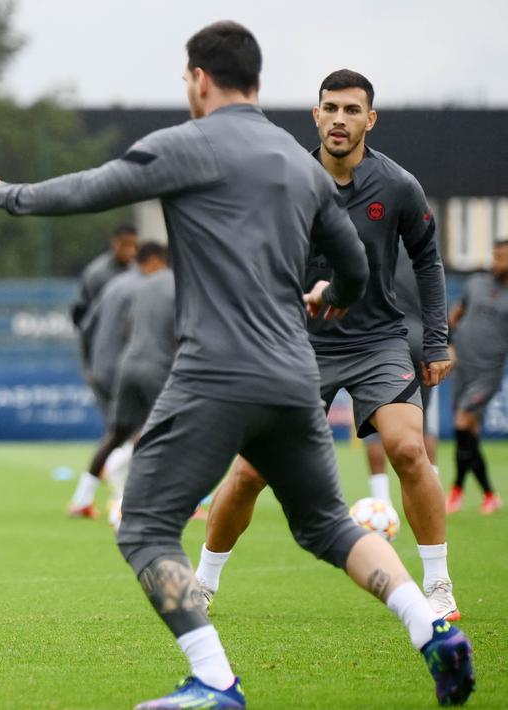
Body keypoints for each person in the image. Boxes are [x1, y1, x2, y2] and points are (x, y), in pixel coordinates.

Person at [0, 22, 473, 708]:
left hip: (215, 374)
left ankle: (214, 679)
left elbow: (81, 191)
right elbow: (354, 267)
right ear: (259, 83)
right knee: (329, 524)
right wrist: (335, 300)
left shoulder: (182, 146)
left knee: (142, 526)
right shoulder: (295, 164)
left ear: (197, 79)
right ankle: (429, 627)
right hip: (291, 369)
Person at [195, 69, 460, 622]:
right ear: (316, 115)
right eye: (330, 108)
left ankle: (438, 584)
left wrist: (436, 339)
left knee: (409, 451)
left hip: (378, 342)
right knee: (250, 474)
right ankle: (201, 584)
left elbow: (428, 262)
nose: (340, 119)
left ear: (370, 119)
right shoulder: (280, 179)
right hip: (295, 346)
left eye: (351, 110)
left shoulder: (399, 186)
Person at [95, 243, 175, 529]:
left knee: (120, 431)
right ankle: (138, 498)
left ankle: (102, 493)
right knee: (166, 429)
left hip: (127, 364)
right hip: (157, 367)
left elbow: (124, 328)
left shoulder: (135, 287)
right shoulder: (176, 285)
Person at [67, 225, 139, 518]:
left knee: (120, 431)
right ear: (114, 243)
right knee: (137, 428)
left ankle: (84, 499)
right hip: (113, 367)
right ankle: (128, 499)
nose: (130, 251)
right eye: (125, 245)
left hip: (125, 363)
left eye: (134, 246)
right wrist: (88, 364)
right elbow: (84, 322)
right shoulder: (100, 275)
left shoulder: (133, 274)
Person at [364, 241, 442, 504]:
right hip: (419, 337)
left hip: (380, 339)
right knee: (422, 424)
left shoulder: (369, 244)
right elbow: (435, 297)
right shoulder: (423, 253)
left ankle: (382, 502)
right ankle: (432, 494)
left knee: (373, 423)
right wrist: (441, 345)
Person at [446, 239, 508, 514]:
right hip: (463, 366)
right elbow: (454, 316)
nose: (497, 262)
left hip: (488, 371)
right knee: (468, 432)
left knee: (463, 421)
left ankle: (456, 490)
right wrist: (448, 345)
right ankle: (489, 495)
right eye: (495, 256)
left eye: (503, 257)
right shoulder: (475, 284)